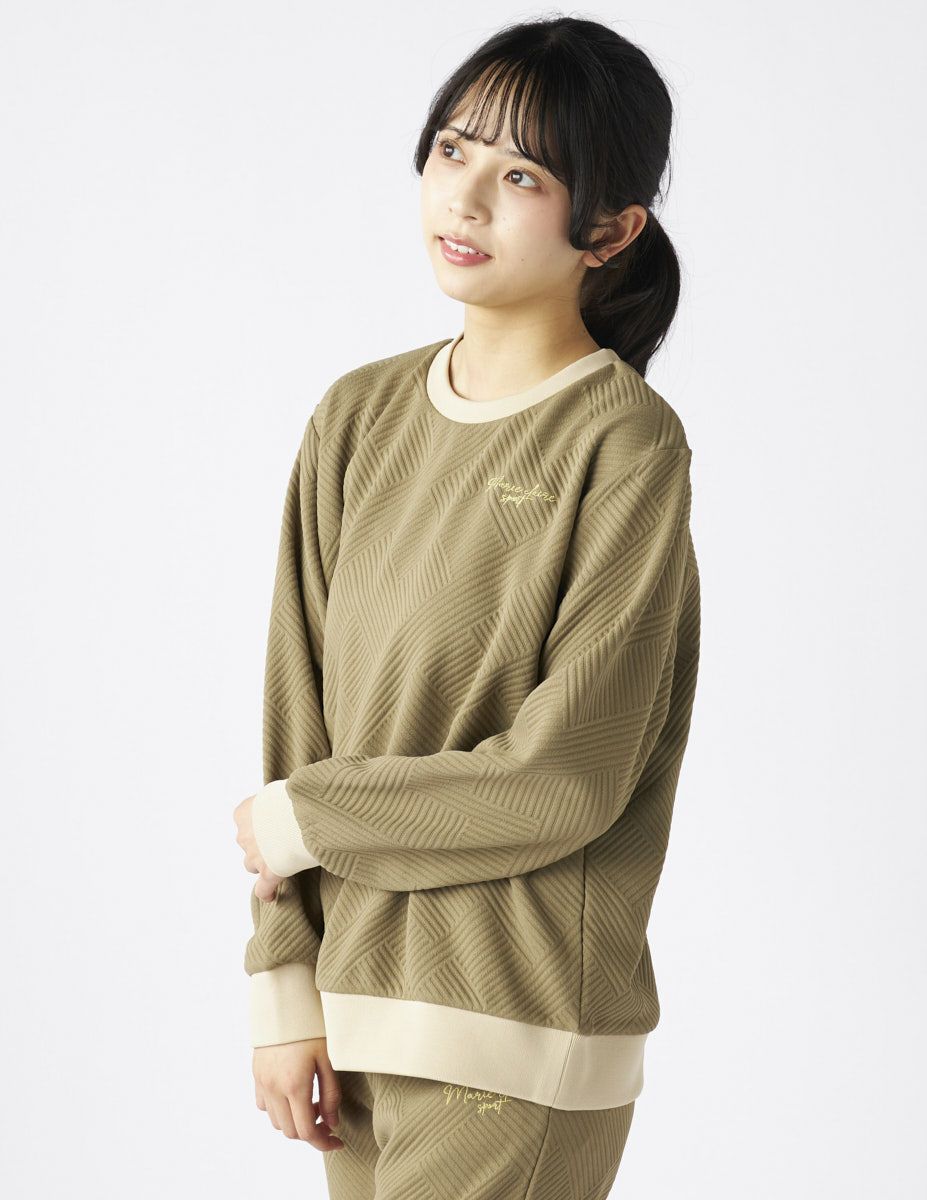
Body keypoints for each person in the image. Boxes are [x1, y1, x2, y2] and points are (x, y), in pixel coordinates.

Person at [232, 14, 700, 1200]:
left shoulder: (622, 444)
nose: (467, 197)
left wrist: (306, 819)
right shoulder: (358, 416)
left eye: (524, 176)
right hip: (354, 1018)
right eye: (453, 150)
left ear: (611, 231)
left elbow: (564, 779)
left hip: (515, 1033)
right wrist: (283, 988)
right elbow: (299, 714)